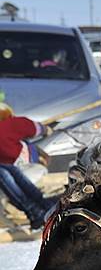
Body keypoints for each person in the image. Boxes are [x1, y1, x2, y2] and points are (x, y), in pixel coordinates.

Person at [0, 98, 53, 230]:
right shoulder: (11, 124)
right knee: (8, 173)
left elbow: (30, 127)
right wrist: (45, 129)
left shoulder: (9, 125)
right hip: (15, 164)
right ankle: (41, 207)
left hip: (26, 163)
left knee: (7, 175)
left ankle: (35, 210)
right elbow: (32, 127)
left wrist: (43, 129)